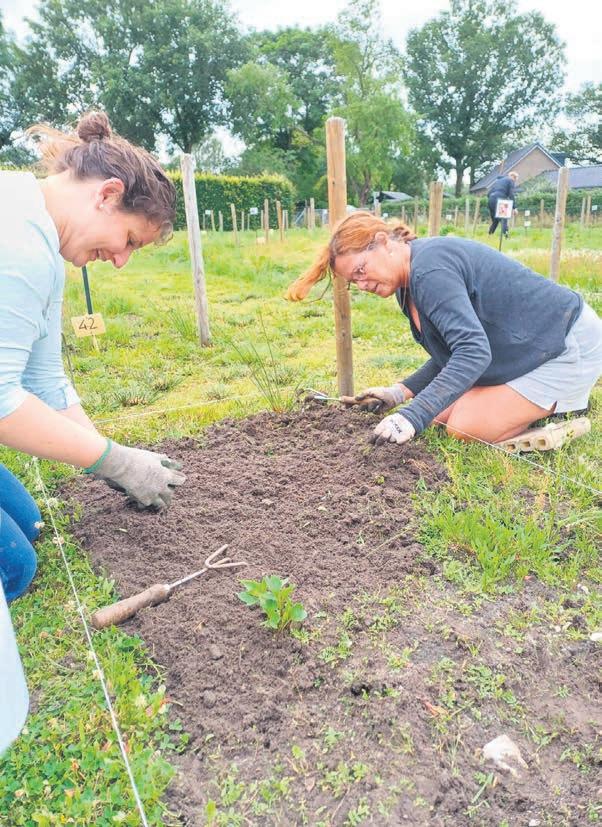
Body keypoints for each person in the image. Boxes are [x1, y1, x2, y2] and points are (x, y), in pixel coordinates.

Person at [0, 111, 186, 752]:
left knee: (28, 525)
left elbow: (44, 380)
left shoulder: (44, 243)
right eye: (129, 239)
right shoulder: (17, 242)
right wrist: (113, 461)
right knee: (16, 569)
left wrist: (115, 456)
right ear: (107, 194)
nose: (123, 262)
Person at [286, 211, 602, 447]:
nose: (362, 284)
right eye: (353, 281)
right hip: (524, 346)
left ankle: (559, 414)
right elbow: (451, 352)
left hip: (564, 344)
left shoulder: (429, 272)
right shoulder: (405, 285)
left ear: (383, 243)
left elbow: (472, 352)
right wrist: (399, 394)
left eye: (361, 270)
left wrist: (412, 415)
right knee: (438, 415)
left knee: (463, 426)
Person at [487, 170, 518, 237]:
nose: (515, 182)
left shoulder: (498, 181)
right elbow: (511, 194)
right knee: (504, 218)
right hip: (501, 199)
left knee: (495, 220)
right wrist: (514, 207)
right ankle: (506, 236)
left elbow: (488, 193)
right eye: (515, 180)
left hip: (491, 199)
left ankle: (490, 235)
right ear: (513, 177)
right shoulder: (510, 180)